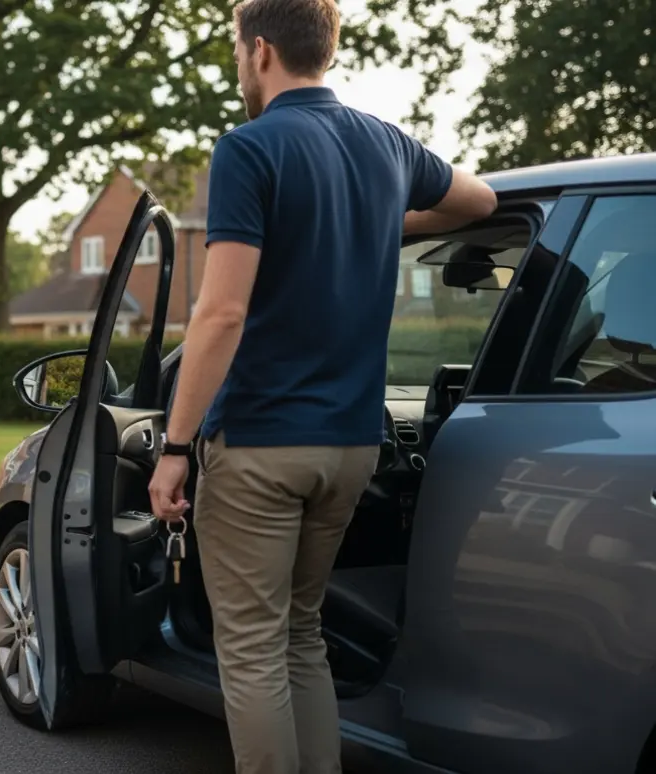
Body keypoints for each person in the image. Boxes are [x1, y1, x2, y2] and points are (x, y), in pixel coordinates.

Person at [146, 0, 497, 771]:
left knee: (251, 650)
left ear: (260, 49)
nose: (240, 66)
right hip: (350, 449)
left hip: (262, 446)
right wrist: (375, 218)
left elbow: (221, 313)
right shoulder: (385, 144)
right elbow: (481, 202)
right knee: (302, 636)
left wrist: (173, 448)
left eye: (238, 52)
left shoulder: (249, 147)